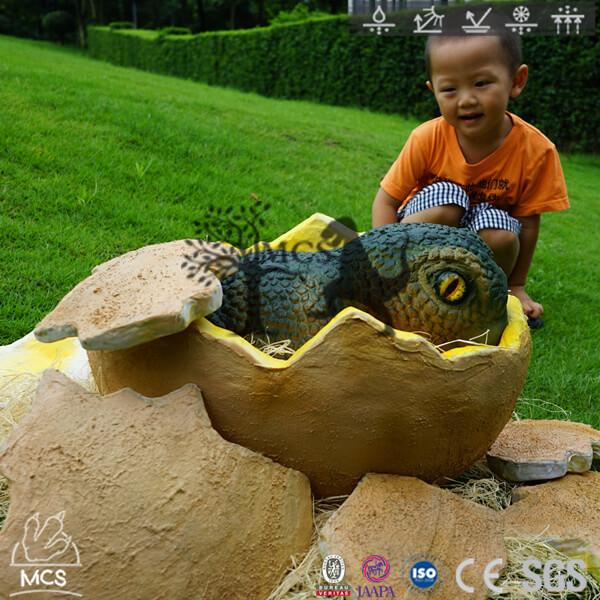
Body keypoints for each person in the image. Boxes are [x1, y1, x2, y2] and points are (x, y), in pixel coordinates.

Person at [371, 31, 569, 324]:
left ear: (516, 81)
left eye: (481, 83)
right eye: (450, 89)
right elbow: (387, 201)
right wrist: (384, 261)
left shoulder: (536, 151)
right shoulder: (427, 137)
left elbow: (527, 223)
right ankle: (406, 283)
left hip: (480, 240)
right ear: (433, 90)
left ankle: (485, 295)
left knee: (502, 232)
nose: (466, 100)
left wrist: (517, 286)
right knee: (448, 201)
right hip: (423, 230)